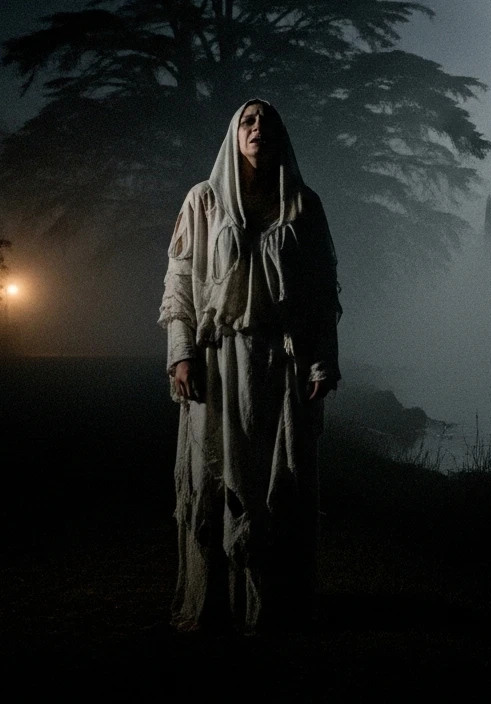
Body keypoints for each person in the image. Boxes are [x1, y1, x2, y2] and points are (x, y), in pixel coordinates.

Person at [158, 98, 341, 633]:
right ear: (234, 134)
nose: (258, 128)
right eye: (248, 120)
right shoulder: (205, 201)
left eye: (268, 121)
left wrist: (322, 362)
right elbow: (179, 278)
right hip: (219, 360)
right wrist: (181, 350)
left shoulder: (303, 205)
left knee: (279, 480)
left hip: (282, 362)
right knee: (216, 476)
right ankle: (215, 602)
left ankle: (275, 605)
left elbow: (320, 290)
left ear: (282, 135)